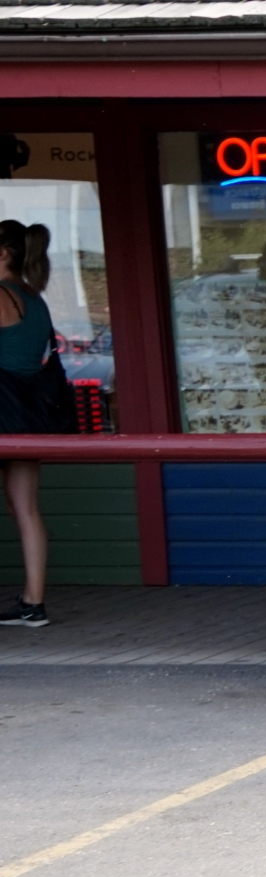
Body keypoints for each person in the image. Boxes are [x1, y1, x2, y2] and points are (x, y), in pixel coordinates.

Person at [0, 219, 60, 629]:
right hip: (29, 415)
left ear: (3, 254)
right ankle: (33, 603)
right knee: (27, 509)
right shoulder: (37, 301)